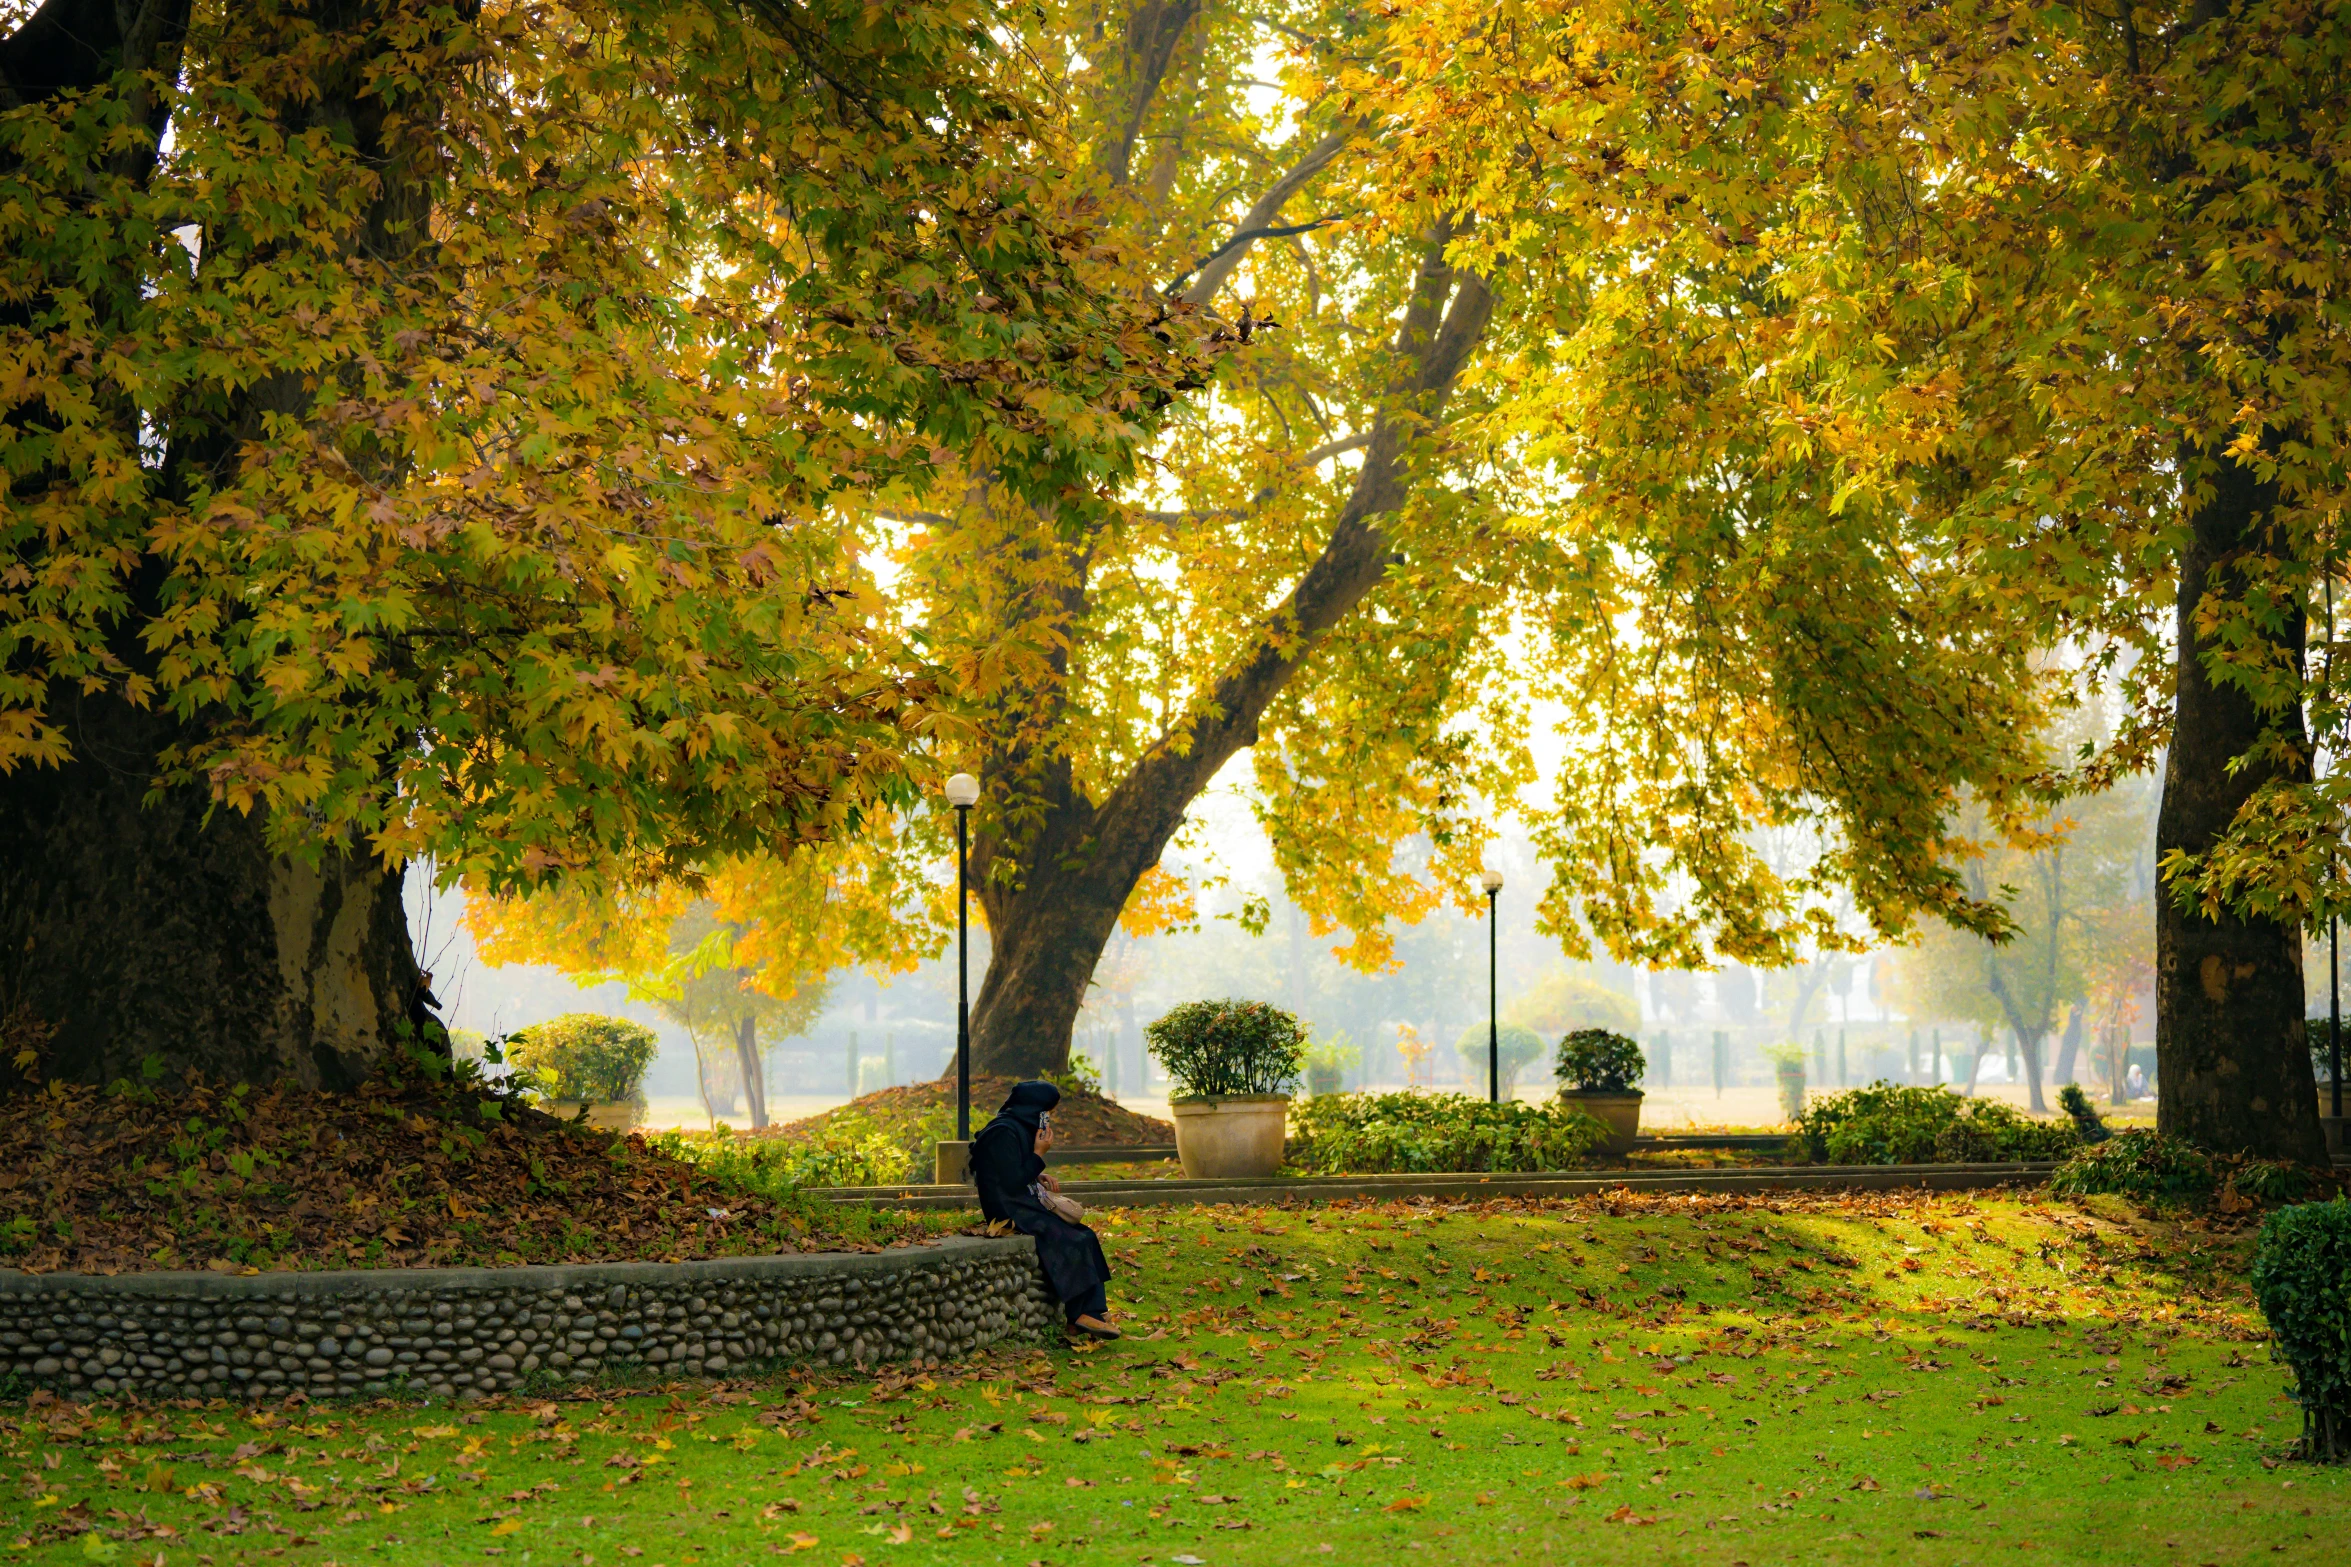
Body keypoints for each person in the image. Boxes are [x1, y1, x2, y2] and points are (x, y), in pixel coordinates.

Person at [970, 1081, 1119, 1339]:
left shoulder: (1016, 1127)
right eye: (1047, 1111)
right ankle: (1082, 1314)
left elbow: (1014, 1171)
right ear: (1034, 1107)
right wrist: (1039, 1155)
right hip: (1007, 1210)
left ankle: (1091, 1314)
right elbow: (1009, 1181)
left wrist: (1037, 1174)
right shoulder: (1002, 1132)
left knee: (1085, 1235)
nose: (1048, 1118)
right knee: (1069, 1239)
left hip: (1020, 1202)